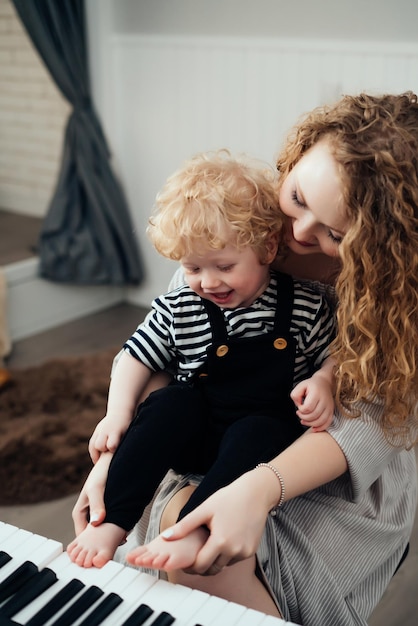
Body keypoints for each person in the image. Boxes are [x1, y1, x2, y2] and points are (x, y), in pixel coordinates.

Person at [71, 92, 418, 626]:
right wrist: (116, 457)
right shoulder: (223, 236)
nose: (298, 235)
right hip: (210, 424)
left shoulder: (380, 302)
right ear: (298, 154)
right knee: (167, 512)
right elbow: (167, 351)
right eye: (298, 196)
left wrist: (261, 487)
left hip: (330, 452)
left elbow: (360, 420)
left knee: (212, 558)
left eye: (335, 233)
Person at [67, 150, 336, 570]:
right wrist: (116, 415)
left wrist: (323, 380)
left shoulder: (304, 305)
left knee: (259, 428)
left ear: (266, 248)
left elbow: (337, 355)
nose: (208, 282)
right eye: (192, 268)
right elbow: (135, 355)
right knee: (170, 403)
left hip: (259, 444)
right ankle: (113, 522)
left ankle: (197, 527)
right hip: (196, 433)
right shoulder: (180, 306)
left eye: (224, 266)